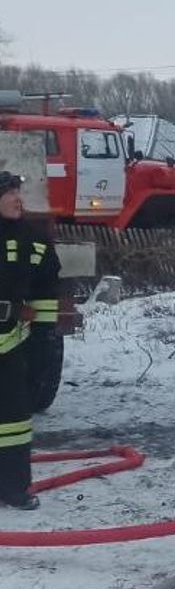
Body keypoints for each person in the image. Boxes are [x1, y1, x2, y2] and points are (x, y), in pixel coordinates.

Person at [0, 171, 61, 510]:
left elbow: (45, 290)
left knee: (14, 421)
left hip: (10, 340)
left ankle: (13, 487)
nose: (18, 198)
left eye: (18, 193)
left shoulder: (33, 241)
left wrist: (42, 340)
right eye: (9, 193)